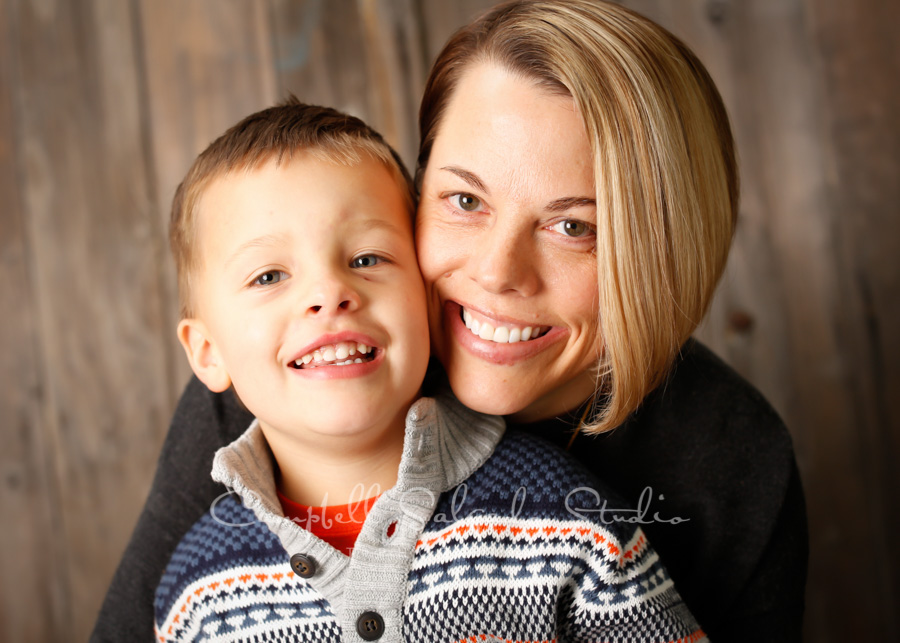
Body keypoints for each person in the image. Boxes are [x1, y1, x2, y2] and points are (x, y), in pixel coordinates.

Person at [93, 1, 807, 641]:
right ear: (416, 188)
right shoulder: (297, 377)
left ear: (665, 253)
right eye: (465, 201)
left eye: (572, 226)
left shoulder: (732, 462)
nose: (498, 272)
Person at [150, 98, 706, 642]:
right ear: (206, 351)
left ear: (424, 288)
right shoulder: (196, 596)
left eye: (367, 259)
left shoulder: (567, 522)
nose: (329, 294)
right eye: (268, 276)